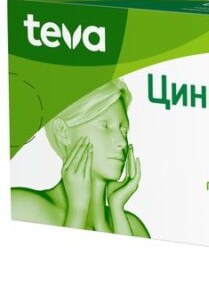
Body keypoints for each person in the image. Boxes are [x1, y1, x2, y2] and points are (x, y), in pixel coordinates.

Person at [11, 79, 150, 238]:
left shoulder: (134, 228)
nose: (122, 142)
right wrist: (77, 210)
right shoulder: (21, 208)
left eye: (123, 130)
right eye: (104, 125)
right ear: (62, 132)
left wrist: (117, 211)